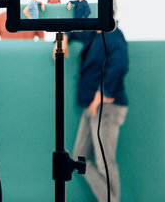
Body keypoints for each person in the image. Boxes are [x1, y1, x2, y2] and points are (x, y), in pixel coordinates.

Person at [58, 28, 129, 202]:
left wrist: (103, 92)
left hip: (107, 107)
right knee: (80, 156)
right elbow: (70, 30)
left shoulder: (113, 35)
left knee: (105, 162)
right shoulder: (92, 34)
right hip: (91, 106)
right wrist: (64, 38)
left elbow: (120, 63)